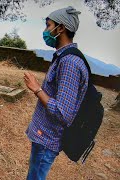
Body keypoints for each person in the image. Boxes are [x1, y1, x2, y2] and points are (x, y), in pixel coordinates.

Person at [24, 6, 87, 180]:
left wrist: (37, 88)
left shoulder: (70, 63)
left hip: (47, 138)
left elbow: (63, 112)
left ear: (61, 28)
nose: (45, 31)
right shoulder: (63, 57)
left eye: (48, 25)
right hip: (43, 135)